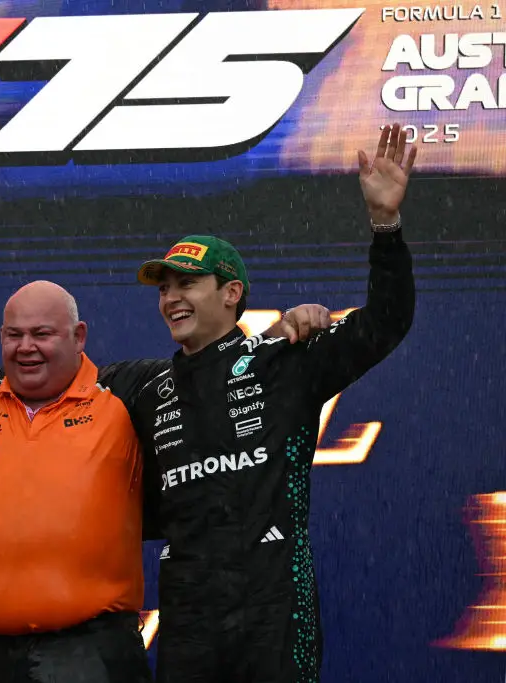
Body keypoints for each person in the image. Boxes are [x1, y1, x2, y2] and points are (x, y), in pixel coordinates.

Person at [0, 182, 334, 682]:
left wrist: (276, 336)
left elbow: (213, 367)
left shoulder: (127, 391)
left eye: (42, 334)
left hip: (95, 653)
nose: (26, 347)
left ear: (79, 337)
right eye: (14, 335)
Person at [133, 123, 417, 682]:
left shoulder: (286, 361)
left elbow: (387, 321)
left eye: (186, 284)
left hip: (275, 609)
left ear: (230, 292)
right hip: (187, 614)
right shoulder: (143, 385)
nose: (171, 299)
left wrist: (385, 225)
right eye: (164, 288)